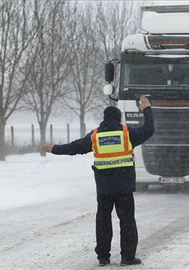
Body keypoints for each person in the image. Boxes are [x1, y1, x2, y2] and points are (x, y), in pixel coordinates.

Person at [41, 95, 154, 267]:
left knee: (103, 221)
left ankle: (103, 257)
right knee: (127, 221)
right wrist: (146, 109)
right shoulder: (127, 134)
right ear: (118, 119)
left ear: (104, 118)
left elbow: (74, 148)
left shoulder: (95, 136)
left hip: (104, 188)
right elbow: (149, 130)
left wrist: (55, 149)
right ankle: (127, 257)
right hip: (124, 187)